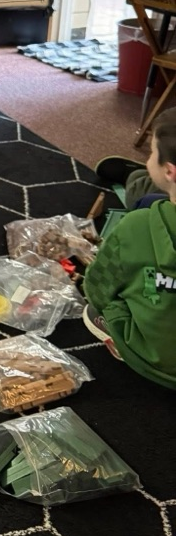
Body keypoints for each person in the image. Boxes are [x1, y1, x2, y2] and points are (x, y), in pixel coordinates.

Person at [82, 107, 176, 389]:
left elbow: (96, 290)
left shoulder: (137, 227)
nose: (150, 157)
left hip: (153, 361)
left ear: (171, 170)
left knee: (95, 306)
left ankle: (133, 178)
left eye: (151, 153)